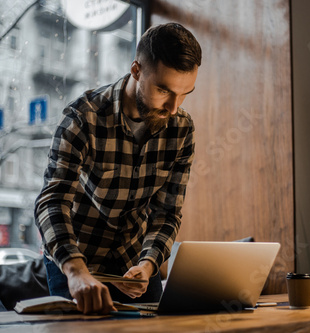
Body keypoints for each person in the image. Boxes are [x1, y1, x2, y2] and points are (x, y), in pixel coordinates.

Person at [34, 22, 201, 314]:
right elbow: (52, 202)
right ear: (136, 71)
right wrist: (76, 272)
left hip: (134, 262)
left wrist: (148, 265)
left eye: (184, 93)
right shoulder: (83, 117)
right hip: (75, 260)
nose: (174, 108)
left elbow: (167, 213)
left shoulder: (182, 129)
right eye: (163, 90)